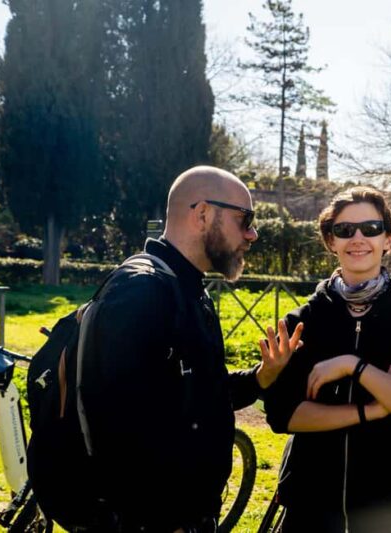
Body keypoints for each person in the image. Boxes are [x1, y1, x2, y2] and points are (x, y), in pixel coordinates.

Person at [78, 166, 302, 531]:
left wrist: (262, 377)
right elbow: (114, 428)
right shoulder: (142, 292)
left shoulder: (187, 290)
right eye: (245, 219)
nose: (253, 234)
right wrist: (165, 519)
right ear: (202, 214)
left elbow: (198, 395)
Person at [263, 186, 391, 533]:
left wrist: (353, 366)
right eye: (344, 230)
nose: (357, 238)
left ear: (389, 239)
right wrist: (377, 407)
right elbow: (284, 415)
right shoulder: (302, 321)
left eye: (371, 228)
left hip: (387, 509)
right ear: (331, 241)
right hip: (310, 506)